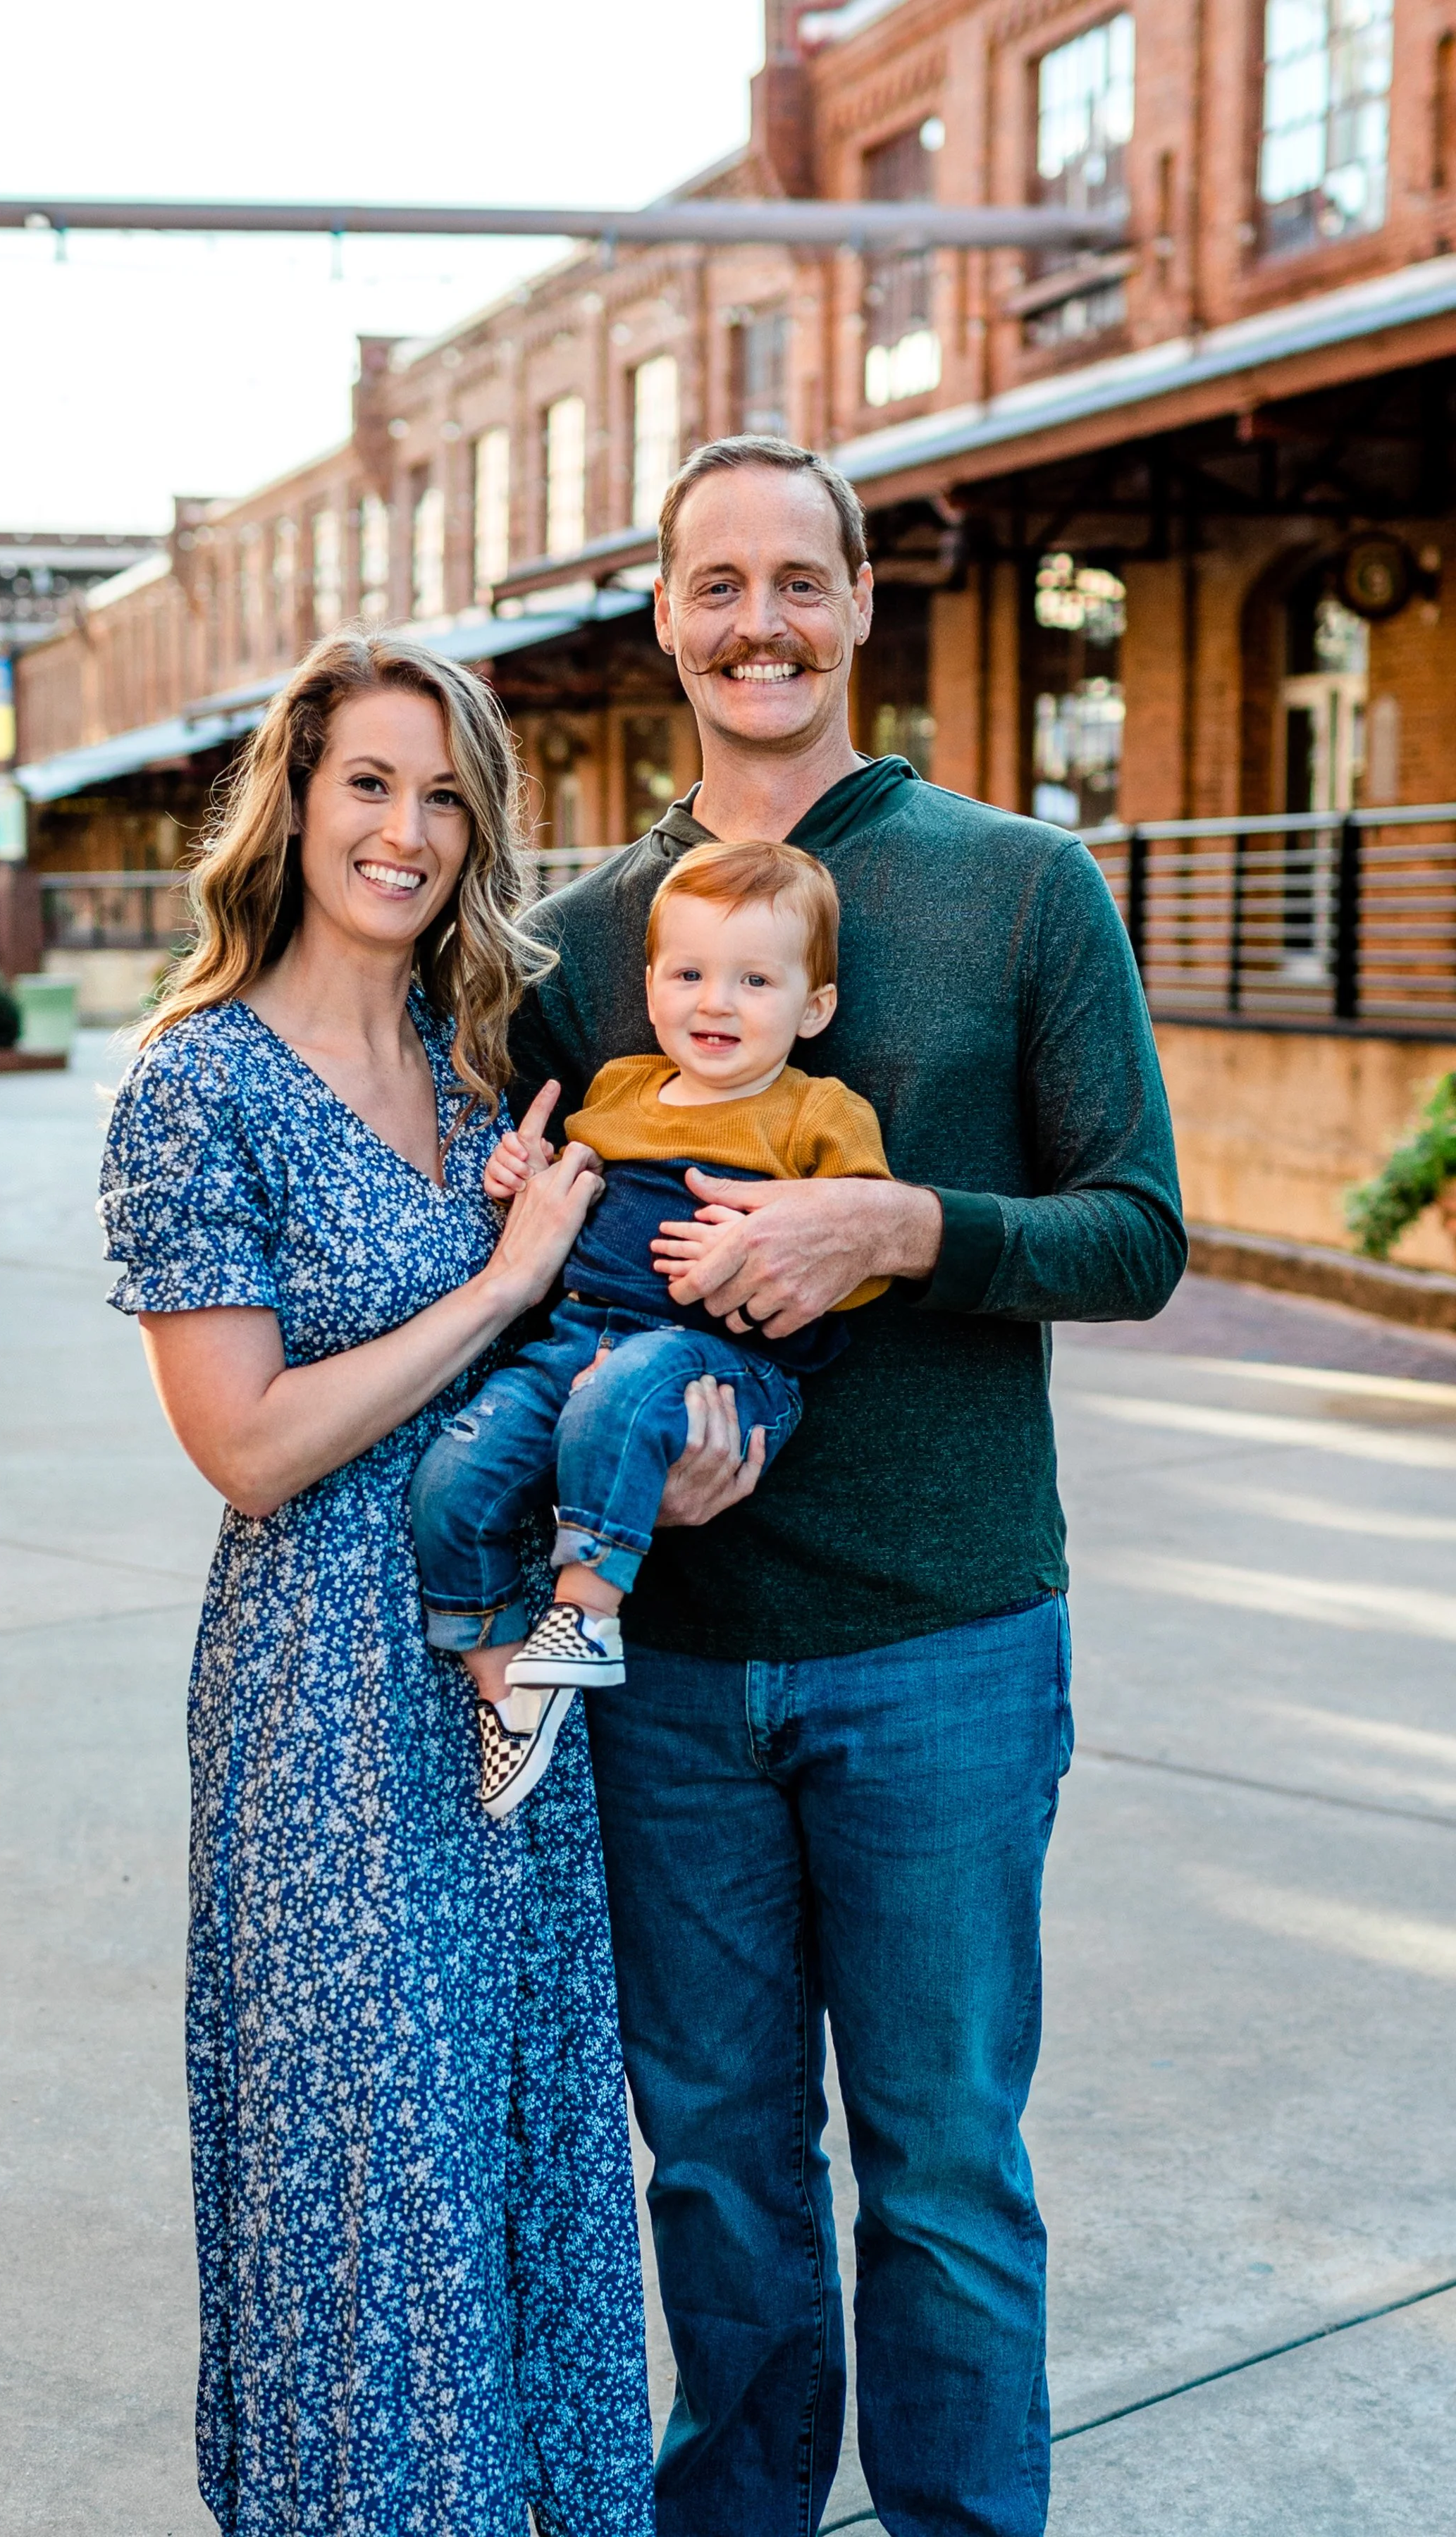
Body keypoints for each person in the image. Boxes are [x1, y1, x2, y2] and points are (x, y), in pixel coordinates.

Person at [507, 438, 1187, 2537]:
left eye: (799, 580)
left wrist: (906, 1232)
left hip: (950, 1641)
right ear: (665, 615)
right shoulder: (575, 941)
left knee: (945, 2169)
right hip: (677, 1669)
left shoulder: (1018, 886)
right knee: (712, 2168)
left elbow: (1138, 1231)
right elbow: (520, 1264)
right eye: (717, 585)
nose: (759, 623)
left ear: (862, 605)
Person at [96, 634, 672, 2537]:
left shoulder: (475, 1057)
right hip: (327, 1691)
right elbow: (247, 1443)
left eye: (446, 796)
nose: (407, 831)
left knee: (526, 2126)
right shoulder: (196, 1087)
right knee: (378, 2161)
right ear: (294, 796)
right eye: (370, 782)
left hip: (509, 1671)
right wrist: (501, 1284)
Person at [409, 837, 890, 1816]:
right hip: (576, 1340)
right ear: (652, 983)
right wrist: (519, 1181)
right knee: (453, 1480)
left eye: (755, 980)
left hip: (716, 1359)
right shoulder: (622, 1089)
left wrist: (757, 1252)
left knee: (623, 1398)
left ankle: (585, 1617)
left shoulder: (813, 1114)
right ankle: (509, 1689)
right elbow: (566, 1198)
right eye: (690, 973)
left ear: (814, 1009)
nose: (715, 1003)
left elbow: (859, 1258)